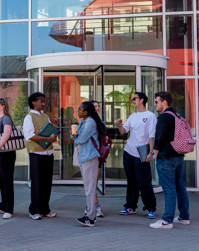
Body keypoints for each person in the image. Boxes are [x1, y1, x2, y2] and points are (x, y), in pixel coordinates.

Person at [150, 91, 190, 230]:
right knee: (180, 187)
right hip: (178, 155)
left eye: (157, 102)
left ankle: (167, 220)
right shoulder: (176, 115)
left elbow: (159, 137)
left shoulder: (164, 117)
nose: (155, 104)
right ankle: (184, 217)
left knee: (169, 189)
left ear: (164, 102)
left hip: (166, 157)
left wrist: (155, 152)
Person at [115, 91, 157, 219]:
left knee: (144, 181)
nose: (133, 101)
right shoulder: (132, 116)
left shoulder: (150, 116)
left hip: (142, 152)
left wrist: (150, 153)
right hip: (129, 151)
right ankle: (130, 206)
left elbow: (151, 136)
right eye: (132, 99)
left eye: (135, 98)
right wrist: (120, 125)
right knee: (131, 181)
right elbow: (123, 131)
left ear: (142, 100)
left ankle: (150, 208)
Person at [23, 91, 58, 220]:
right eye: (41, 101)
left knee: (47, 183)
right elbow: (30, 136)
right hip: (36, 154)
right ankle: (34, 210)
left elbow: (49, 130)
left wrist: (53, 135)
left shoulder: (45, 116)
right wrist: (48, 139)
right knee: (37, 183)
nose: (43, 103)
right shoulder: (29, 117)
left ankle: (45, 209)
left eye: (44, 101)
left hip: (48, 153)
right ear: (33, 102)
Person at [73, 101, 106, 227]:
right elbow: (77, 138)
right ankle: (91, 215)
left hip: (90, 157)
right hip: (84, 157)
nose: (78, 112)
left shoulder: (90, 122)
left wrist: (75, 137)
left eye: (80, 110)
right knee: (88, 188)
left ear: (86, 112)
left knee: (90, 189)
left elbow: (81, 139)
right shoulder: (83, 121)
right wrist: (74, 136)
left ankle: (91, 217)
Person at [90, 100, 104, 218]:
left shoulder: (101, 122)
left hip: (98, 155)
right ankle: (95, 206)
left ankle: (91, 205)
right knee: (91, 183)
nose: (97, 108)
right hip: (90, 154)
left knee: (94, 182)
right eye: (95, 106)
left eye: (98, 106)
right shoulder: (88, 122)